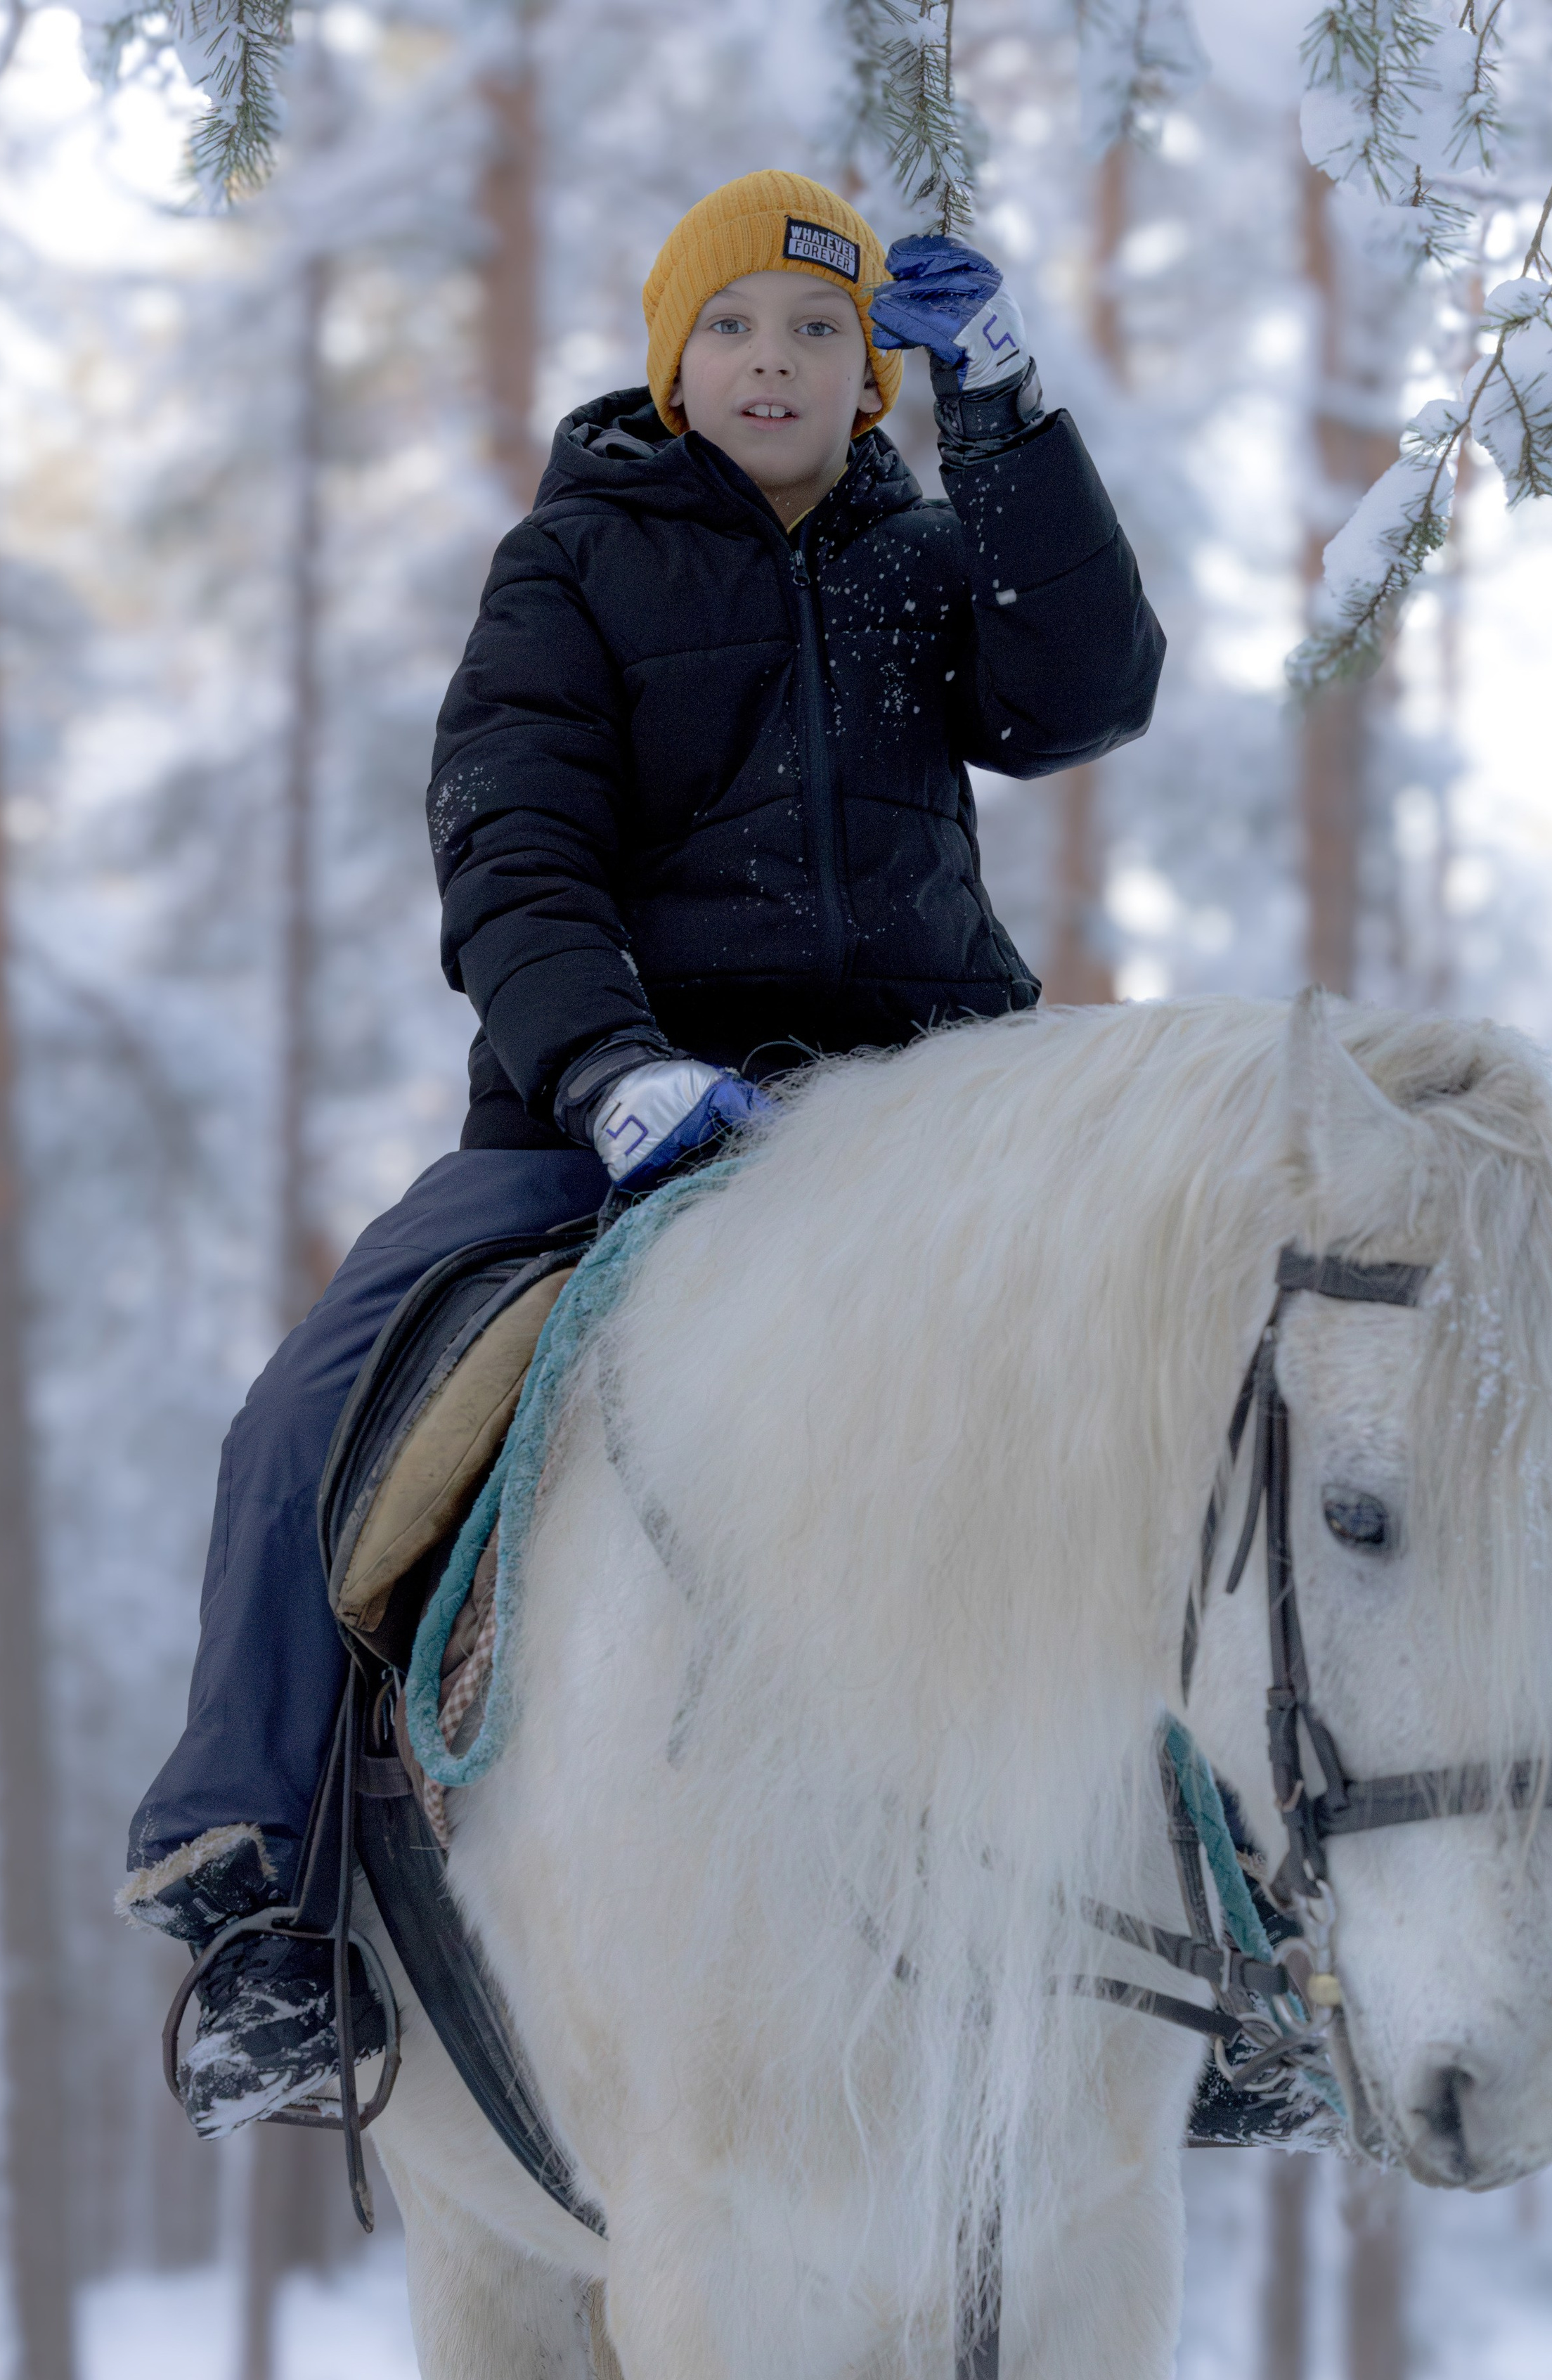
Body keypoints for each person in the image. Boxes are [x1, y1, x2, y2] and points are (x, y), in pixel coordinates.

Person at [122, 168, 1165, 2135]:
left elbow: (1083, 695)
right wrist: (609, 1069)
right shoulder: (573, 564)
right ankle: (256, 1902)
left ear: (874, 377)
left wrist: (1011, 410)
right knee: (312, 1410)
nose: (774, 359)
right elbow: (508, 848)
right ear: (672, 361)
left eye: (821, 332)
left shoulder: (922, 559)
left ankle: (1223, 1916)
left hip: (911, 1111)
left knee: (1165, 1378)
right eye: (735, 326)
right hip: (616, 1116)